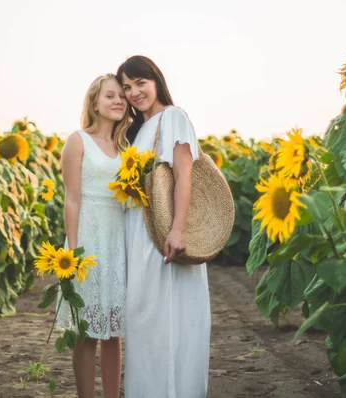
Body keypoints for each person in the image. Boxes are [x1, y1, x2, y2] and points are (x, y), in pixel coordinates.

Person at [116, 55, 211, 398]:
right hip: (140, 235)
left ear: (156, 81)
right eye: (126, 87)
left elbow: (184, 174)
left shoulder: (172, 117)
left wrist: (178, 229)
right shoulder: (137, 130)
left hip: (164, 236)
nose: (134, 92)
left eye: (140, 83)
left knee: (169, 320)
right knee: (143, 321)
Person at [56, 73, 130, 398]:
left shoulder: (127, 147)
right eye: (110, 96)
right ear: (95, 103)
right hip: (88, 237)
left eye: (121, 97)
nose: (118, 101)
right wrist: (74, 253)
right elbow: (72, 198)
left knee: (113, 331)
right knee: (86, 330)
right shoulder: (78, 141)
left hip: (118, 240)